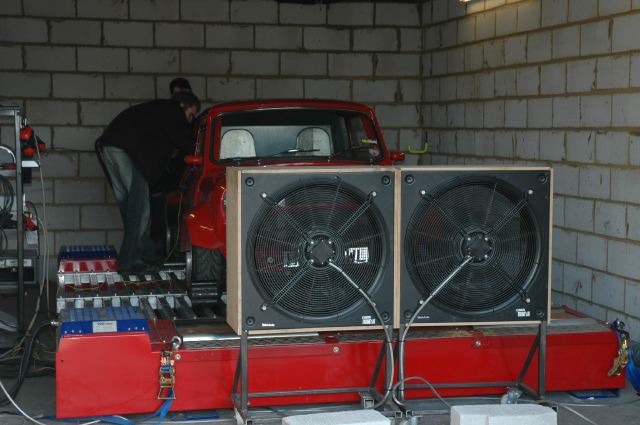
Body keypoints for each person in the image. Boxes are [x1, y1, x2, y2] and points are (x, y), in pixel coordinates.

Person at [96, 91, 200, 273]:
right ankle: (129, 261)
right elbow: (184, 140)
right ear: (182, 105)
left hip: (110, 147)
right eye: (191, 115)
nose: (190, 121)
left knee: (130, 207)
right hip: (129, 153)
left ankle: (147, 254)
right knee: (140, 209)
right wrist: (201, 149)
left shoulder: (157, 110)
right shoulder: (173, 111)